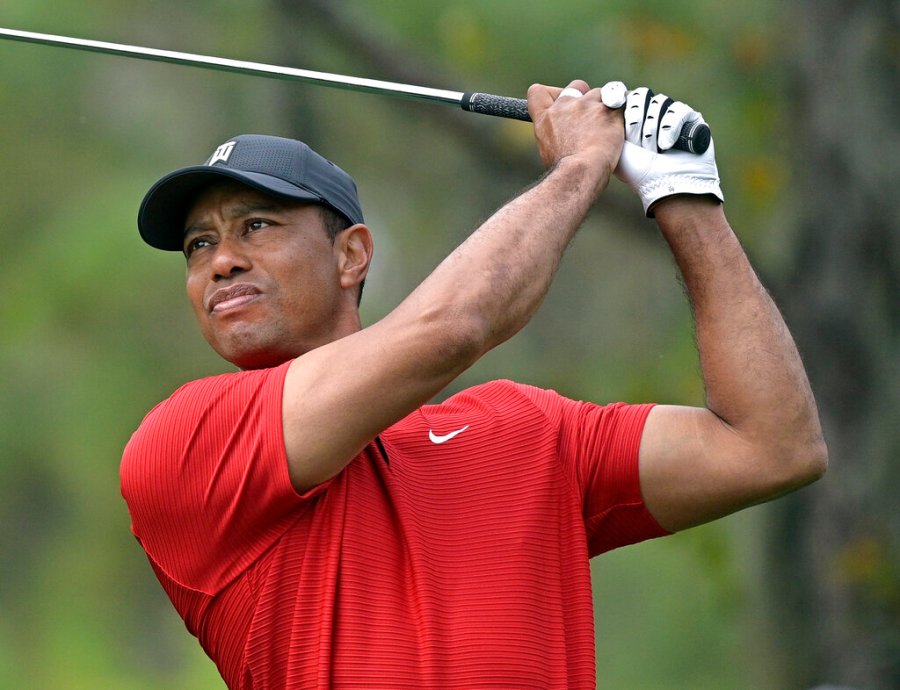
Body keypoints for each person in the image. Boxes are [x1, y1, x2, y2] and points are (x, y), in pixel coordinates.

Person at [120, 80, 827, 689]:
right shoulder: (184, 446)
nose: (221, 263)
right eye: (199, 245)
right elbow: (455, 326)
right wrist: (584, 164)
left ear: (351, 254)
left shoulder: (527, 430)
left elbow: (771, 445)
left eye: (256, 225)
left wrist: (682, 190)